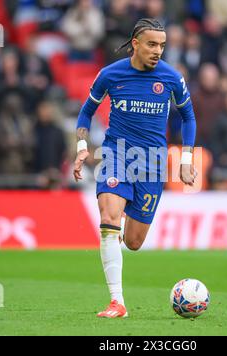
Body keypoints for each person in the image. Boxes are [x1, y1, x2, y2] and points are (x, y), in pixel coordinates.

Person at [73, 18, 197, 318]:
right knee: (108, 218)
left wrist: (186, 159)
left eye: (163, 45)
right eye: (152, 44)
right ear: (136, 44)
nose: (158, 51)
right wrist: (81, 148)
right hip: (116, 155)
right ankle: (118, 302)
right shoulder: (110, 74)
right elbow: (86, 112)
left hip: (152, 164)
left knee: (133, 241)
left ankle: (116, 233)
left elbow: (188, 118)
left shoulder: (171, 78)